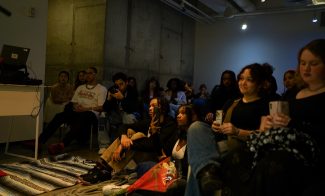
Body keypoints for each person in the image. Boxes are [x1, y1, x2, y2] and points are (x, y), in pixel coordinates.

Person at [247, 39, 325, 196]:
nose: (306, 69)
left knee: (273, 164)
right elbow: (280, 118)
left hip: (311, 153)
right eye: (303, 63)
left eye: (314, 63)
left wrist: (293, 124)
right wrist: (268, 122)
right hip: (283, 146)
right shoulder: (293, 93)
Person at [185, 63, 270, 196]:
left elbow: (265, 135)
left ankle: (207, 172)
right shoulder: (231, 103)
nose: (243, 83)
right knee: (196, 127)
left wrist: (238, 131)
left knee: (196, 162)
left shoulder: (264, 105)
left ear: (259, 84)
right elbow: (218, 123)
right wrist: (215, 126)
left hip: (243, 145)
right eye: (241, 78)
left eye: (249, 80)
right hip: (221, 140)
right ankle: (208, 172)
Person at [79, 97, 178, 184]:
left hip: (157, 160)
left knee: (138, 135)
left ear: (163, 108)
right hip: (143, 154)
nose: (150, 108)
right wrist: (123, 137)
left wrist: (123, 146)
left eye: (154, 106)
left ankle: (105, 169)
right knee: (130, 132)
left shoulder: (170, 124)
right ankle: (103, 169)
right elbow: (124, 126)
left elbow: (151, 145)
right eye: (149, 106)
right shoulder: (149, 121)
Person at [39, 67, 107, 155]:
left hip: (91, 114)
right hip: (78, 111)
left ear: (95, 74)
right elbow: (73, 101)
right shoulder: (81, 88)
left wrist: (85, 109)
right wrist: (76, 106)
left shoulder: (101, 89)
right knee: (60, 116)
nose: (87, 75)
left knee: (84, 116)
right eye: (86, 73)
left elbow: (101, 107)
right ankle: (40, 141)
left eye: (90, 73)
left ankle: (62, 144)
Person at [98, 72, 141, 154]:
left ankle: (128, 145)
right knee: (102, 115)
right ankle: (103, 146)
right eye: (117, 85)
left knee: (128, 116)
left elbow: (133, 109)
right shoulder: (112, 90)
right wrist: (109, 99)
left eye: (121, 84)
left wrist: (122, 99)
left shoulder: (132, 91)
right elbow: (105, 109)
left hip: (129, 115)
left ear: (126, 82)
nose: (119, 87)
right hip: (116, 115)